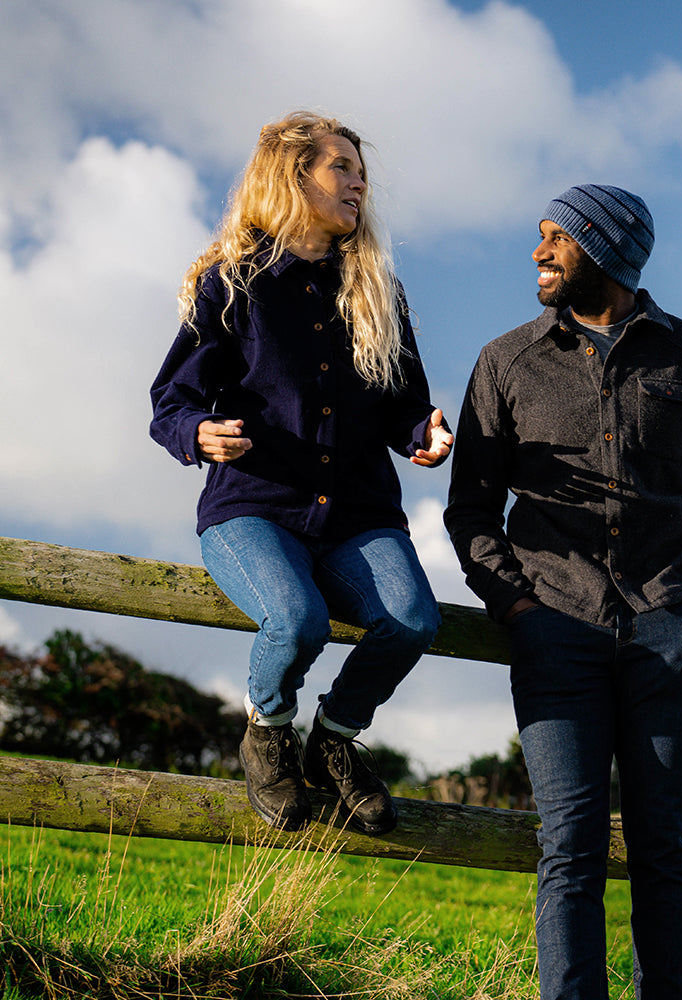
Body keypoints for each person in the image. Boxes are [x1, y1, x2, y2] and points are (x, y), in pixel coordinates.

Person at [445, 184, 682, 999]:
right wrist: (516, 606)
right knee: (572, 844)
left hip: (666, 628)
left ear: (609, 251)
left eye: (557, 237)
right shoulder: (504, 360)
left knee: (663, 847)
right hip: (554, 626)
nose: (538, 252)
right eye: (541, 236)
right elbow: (471, 508)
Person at [150, 111, 452, 836]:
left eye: (361, 171)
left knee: (413, 620)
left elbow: (402, 404)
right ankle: (267, 732)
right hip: (253, 509)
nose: (358, 183)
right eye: (341, 167)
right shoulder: (233, 283)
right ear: (294, 176)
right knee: (296, 620)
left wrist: (425, 431)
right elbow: (172, 401)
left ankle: (335, 742)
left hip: (356, 513)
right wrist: (199, 432)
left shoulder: (378, 291)